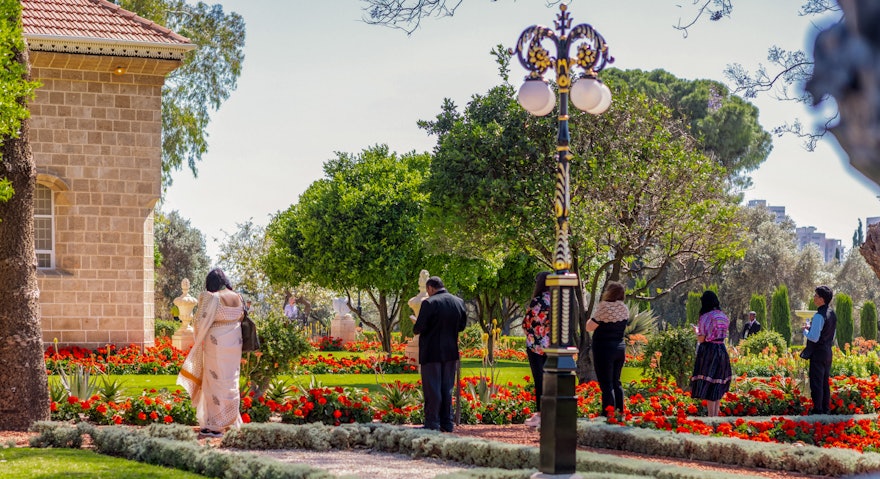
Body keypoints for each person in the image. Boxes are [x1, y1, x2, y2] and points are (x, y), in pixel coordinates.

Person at [176, 267, 244, 437]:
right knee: (230, 380)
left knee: (215, 381)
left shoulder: (213, 297)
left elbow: (199, 321)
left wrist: (199, 336)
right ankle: (229, 420)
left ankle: (215, 424)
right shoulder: (238, 297)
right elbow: (241, 318)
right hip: (235, 343)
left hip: (217, 344)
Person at [412, 276, 467, 432]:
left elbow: (418, 328)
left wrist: (416, 324)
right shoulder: (458, 302)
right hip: (450, 351)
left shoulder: (429, 303)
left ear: (430, 288)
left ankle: (432, 422)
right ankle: (447, 422)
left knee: (432, 388)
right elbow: (462, 326)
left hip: (431, 351)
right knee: (446, 388)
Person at [586, 281, 629, 415]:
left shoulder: (604, 307)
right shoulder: (624, 308)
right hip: (620, 348)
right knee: (616, 382)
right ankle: (620, 413)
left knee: (606, 384)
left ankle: (608, 414)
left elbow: (589, 327)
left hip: (604, 349)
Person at [690, 290, 733, 417]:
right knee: (718, 383)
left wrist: (696, 331)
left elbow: (702, 338)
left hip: (709, 351)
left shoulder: (705, 317)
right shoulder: (723, 316)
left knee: (709, 382)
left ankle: (710, 417)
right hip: (721, 349)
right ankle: (715, 416)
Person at [522, 271, 551, 427]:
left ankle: (541, 414)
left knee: (539, 380)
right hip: (552, 346)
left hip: (536, 346)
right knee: (550, 379)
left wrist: (531, 335)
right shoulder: (557, 301)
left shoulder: (537, 301)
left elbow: (527, 323)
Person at [802, 285, 837, 415]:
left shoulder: (818, 315)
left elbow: (814, 337)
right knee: (824, 382)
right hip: (828, 351)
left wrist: (805, 330)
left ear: (822, 299)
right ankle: (825, 409)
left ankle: (818, 410)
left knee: (816, 382)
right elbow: (832, 335)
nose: (814, 298)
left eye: (816, 295)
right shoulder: (832, 313)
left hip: (818, 352)